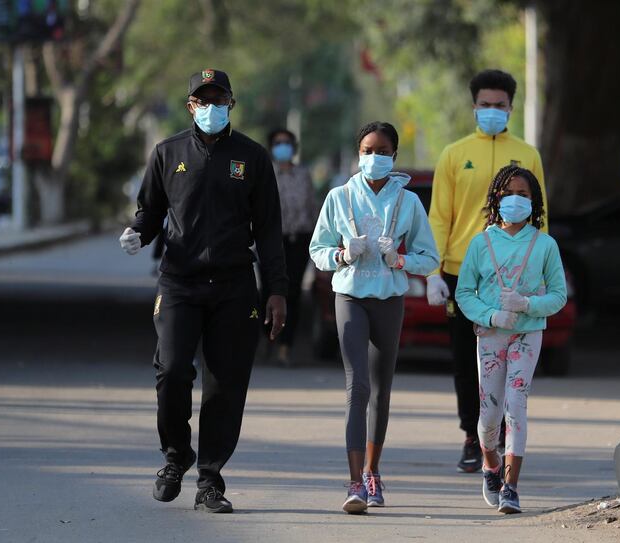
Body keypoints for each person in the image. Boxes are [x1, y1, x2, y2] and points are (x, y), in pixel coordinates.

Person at [118, 69, 287, 514]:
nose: (210, 106)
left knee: (224, 386)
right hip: (179, 282)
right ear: (190, 105)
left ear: (231, 103)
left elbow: (269, 230)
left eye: (219, 98)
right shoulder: (167, 152)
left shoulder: (251, 157)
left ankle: (210, 480)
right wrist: (138, 233)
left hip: (233, 286)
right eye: (202, 99)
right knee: (172, 371)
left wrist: (277, 291)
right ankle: (175, 457)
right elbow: (150, 212)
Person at [309, 121, 439, 514]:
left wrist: (399, 259)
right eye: (367, 150)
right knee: (357, 386)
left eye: (382, 151)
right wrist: (343, 255)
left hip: (388, 299)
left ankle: (372, 470)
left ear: (394, 157)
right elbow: (318, 250)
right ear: (357, 154)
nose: (374, 158)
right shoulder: (339, 197)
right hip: (350, 296)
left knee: (381, 390)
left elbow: (430, 257)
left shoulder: (409, 202)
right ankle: (354, 485)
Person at [426, 69, 548, 473]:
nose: (492, 111)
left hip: (514, 279)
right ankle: (471, 436)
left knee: (512, 361)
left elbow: (540, 217)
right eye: (485, 105)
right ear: (473, 107)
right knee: (467, 358)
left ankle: (503, 439)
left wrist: (541, 271)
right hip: (465, 273)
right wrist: (433, 271)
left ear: (511, 107)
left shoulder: (527, 155)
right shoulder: (454, 154)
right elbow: (440, 216)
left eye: (500, 105)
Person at [455, 164, 566, 513]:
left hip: (527, 334)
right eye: (509, 194)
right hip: (490, 336)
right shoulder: (481, 242)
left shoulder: (545, 244)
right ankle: (490, 465)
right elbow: (464, 293)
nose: (515, 200)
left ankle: (511, 486)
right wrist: (490, 315)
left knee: (515, 406)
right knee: (489, 414)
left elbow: (559, 295)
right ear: (496, 199)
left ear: (534, 202)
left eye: (523, 195)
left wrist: (528, 305)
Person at [265, 128, 318, 365]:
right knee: (268, 291)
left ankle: (286, 346)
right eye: (278, 143)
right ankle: (268, 339)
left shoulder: (303, 174)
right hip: (271, 242)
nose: (283, 146)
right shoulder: (265, 173)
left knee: (293, 292)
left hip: (300, 240)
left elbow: (312, 207)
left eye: (287, 142)